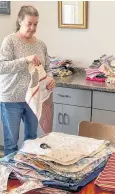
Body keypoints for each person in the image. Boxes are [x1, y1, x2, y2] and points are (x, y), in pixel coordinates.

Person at [0, 5, 55, 156]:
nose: (32, 28)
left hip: (33, 99)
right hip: (11, 99)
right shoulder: (9, 41)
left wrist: (50, 78)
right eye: (29, 23)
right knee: (11, 142)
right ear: (20, 21)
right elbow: (2, 66)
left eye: (35, 24)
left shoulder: (40, 45)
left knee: (31, 140)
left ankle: (27, 174)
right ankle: (9, 176)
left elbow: (48, 67)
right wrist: (25, 60)